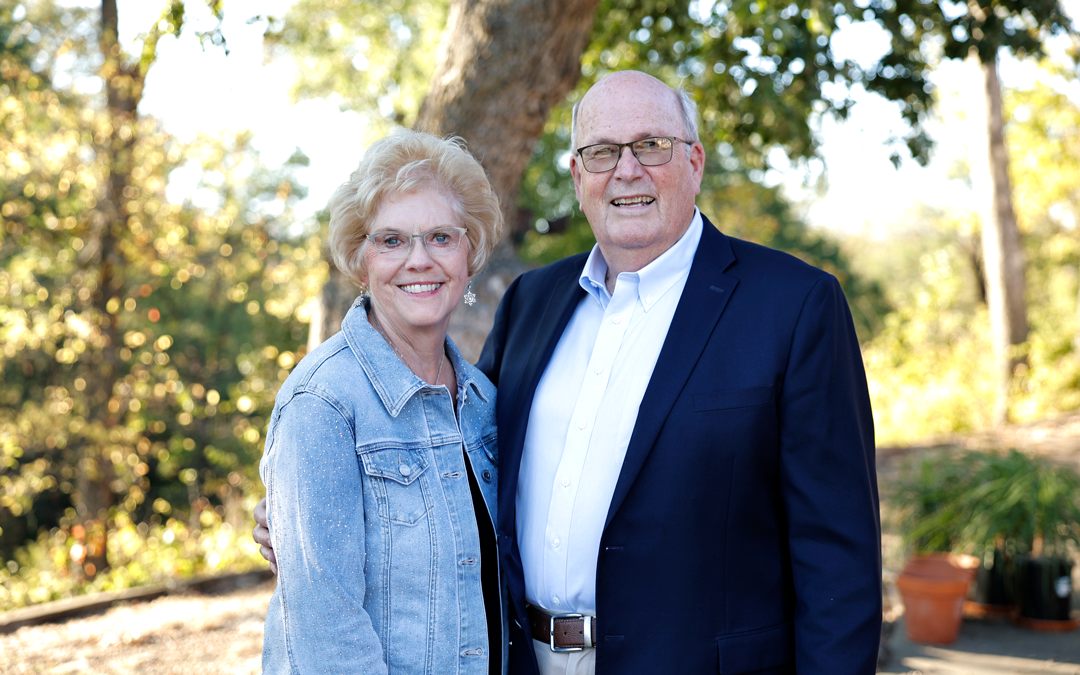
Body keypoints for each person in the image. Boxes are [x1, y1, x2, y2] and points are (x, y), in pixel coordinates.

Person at [257, 70, 881, 675]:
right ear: (579, 174)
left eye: (651, 146)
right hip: (522, 658)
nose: (626, 170)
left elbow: (839, 559)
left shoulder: (793, 306)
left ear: (695, 161)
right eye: (603, 151)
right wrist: (306, 508)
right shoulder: (534, 301)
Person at [258, 128, 504, 675]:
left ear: (470, 253)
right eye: (392, 241)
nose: (419, 260)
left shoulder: (484, 402)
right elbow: (327, 638)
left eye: (441, 237)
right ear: (361, 261)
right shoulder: (323, 403)